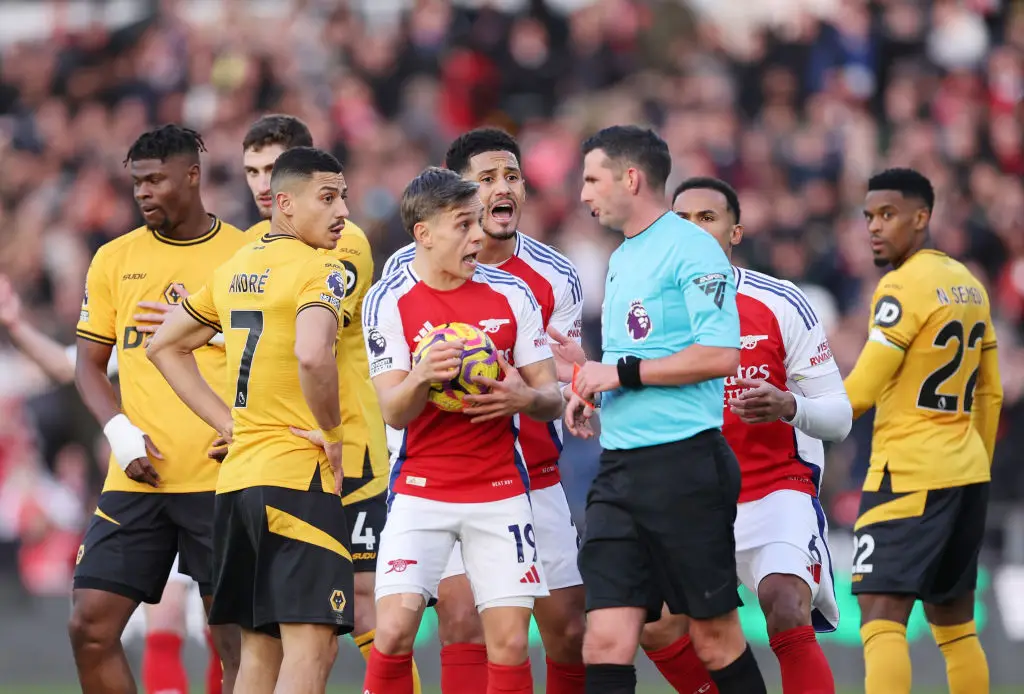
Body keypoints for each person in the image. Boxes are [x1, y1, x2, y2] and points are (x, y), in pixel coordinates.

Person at [381, 128, 586, 694]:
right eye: (488, 178)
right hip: (436, 470)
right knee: (462, 619)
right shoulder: (401, 275)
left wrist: (571, 390)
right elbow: (388, 373)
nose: (504, 189)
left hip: (531, 473)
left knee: (567, 630)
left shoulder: (551, 276)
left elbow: (563, 371)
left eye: (513, 176)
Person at [566, 126, 767, 694]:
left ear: (631, 178)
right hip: (619, 469)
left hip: (684, 467)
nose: (583, 194)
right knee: (604, 639)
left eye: (591, 179)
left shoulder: (693, 246)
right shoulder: (624, 257)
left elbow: (719, 354)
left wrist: (618, 373)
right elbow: (639, 353)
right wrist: (588, 382)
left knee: (715, 640)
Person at [147, 146, 355, 694]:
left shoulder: (236, 268)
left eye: (344, 199)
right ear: (284, 203)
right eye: (328, 198)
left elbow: (164, 346)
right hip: (296, 480)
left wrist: (230, 425)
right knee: (312, 648)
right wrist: (333, 436)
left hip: (238, 485)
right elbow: (313, 354)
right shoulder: (321, 268)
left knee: (261, 654)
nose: (342, 213)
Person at [632, 177, 849, 694]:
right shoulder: (645, 314)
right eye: (680, 221)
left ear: (735, 232)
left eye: (707, 218)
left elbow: (838, 417)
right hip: (692, 499)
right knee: (651, 620)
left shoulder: (780, 303)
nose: (693, 230)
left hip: (776, 491)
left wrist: (787, 405)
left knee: (785, 604)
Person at [68, 124, 243, 694]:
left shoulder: (243, 255)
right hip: (138, 476)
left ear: (192, 176)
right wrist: (119, 431)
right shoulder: (114, 259)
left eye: (155, 180)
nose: (143, 193)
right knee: (90, 625)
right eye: (136, 182)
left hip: (220, 477)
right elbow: (88, 365)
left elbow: (275, 358)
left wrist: (205, 337)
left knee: (235, 643)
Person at [0, 274, 224, 694]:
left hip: (223, 482)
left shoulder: (230, 329)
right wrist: (14, 323)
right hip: (159, 487)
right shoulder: (140, 341)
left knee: (226, 629)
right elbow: (67, 365)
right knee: (165, 614)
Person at [843, 168, 1002, 694]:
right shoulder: (971, 286)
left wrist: (794, 412)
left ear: (922, 217)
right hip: (966, 473)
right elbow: (990, 393)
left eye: (887, 215)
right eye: (868, 216)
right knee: (955, 626)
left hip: (908, 473)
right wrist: (972, 458)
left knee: (880, 611)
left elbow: (861, 392)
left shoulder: (902, 285)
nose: (874, 227)